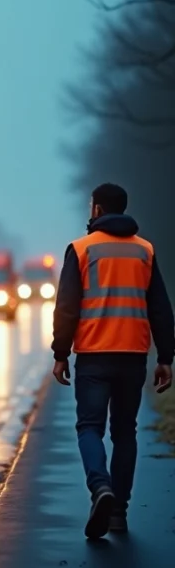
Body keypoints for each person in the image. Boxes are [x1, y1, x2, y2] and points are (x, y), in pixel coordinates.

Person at [51, 182, 174, 539]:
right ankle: (118, 512)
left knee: (90, 428)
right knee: (125, 432)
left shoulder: (82, 249)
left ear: (98, 211)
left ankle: (100, 487)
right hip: (133, 356)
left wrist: (61, 354)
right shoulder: (144, 251)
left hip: (93, 356)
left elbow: (67, 307)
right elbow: (161, 309)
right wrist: (165, 357)